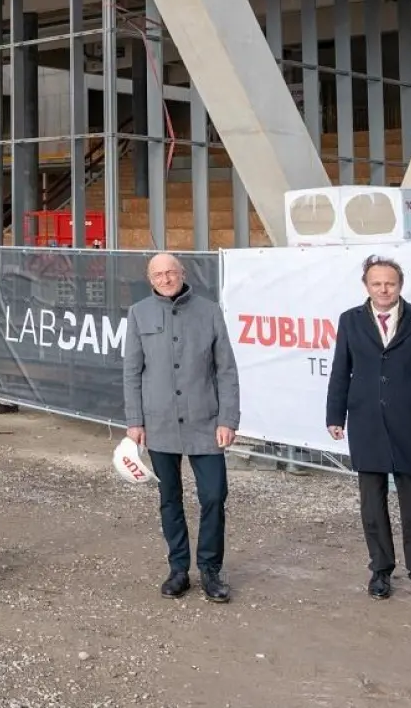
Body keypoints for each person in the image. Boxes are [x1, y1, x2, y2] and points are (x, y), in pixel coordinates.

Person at [325, 255, 411, 607]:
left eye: (390, 283)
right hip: (366, 423)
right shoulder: (350, 321)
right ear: (366, 285)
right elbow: (340, 371)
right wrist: (335, 415)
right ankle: (380, 571)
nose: (383, 289)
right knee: (372, 503)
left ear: (400, 285)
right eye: (376, 283)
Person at [121, 252, 239, 603]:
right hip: (159, 424)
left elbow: (227, 371)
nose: (166, 278)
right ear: (150, 278)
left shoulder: (209, 311)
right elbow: (131, 371)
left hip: (206, 422)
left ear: (183, 273)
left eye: (171, 271)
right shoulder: (139, 313)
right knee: (169, 498)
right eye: (158, 273)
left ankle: (210, 569)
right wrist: (134, 421)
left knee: (214, 495)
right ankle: (178, 569)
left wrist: (227, 419)